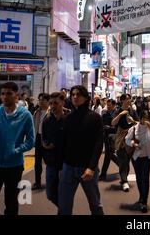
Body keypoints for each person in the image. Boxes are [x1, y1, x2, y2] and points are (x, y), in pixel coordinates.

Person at [0, 82, 35, 215]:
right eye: (3, 94)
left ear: (16, 95)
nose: (5, 97)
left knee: (11, 203)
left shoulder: (25, 115)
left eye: (9, 93)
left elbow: (30, 141)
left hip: (14, 166)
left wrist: (16, 151)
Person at [58, 85, 104, 215]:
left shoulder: (95, 117)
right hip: (68, 167)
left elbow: (98, 143)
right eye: (73, 95)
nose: (75, 97)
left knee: (95, 205)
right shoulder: (68, 118)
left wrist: (92, 167)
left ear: (86, 98)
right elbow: (63, 143)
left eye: (78, 94)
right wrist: (60, 166)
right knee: (64, 207)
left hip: (88, 168)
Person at [42, 92, 70, 207]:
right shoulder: (47, 120)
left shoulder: (69, 118)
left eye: (56, 103)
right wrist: (46, 145)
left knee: (65, 193)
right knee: (50, 194)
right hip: (51, 162)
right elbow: (44, 139)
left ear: (62, 102)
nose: (53, 106)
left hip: (67, 162)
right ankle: (64, 209)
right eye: (51, 103)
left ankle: (64, 211)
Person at [125, 110, 150, 213]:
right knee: (139, 177)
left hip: (147, 156)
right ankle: (141, 196)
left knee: (145, 178)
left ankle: (144, 201)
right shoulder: (134, 128)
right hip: (137, 157)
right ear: (140, 118)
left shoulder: (149, 128)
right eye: (144, 118)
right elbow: (127, 140)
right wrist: (133, 144)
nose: (146, 120)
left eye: (147, 118)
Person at [112, 94, 139, 192]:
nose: (129, 101)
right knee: (123, 161)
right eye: (127, 99)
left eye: (129, 99)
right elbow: (113, 123)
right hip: (122, 138)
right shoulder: (118, 111)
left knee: (135, 159)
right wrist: (120, 115)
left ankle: (138, 178)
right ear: (122, 101)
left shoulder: (133, 111)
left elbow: (139, 124)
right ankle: (124, 181)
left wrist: (133, 121)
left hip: (132, 138)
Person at [32, 93, 50, 190]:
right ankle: (37, 182)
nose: (40, 102)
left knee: (49, 162)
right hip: (38, 138)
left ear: (48, 101)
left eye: (42, 100)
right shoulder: (37, 112)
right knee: (37, 162)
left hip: (47, 139)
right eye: (39, 100)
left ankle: (51, 182)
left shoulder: (51, 112)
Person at [99, 99, 119, 181]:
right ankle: (122, 165)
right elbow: (102, 125)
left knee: (108, 154)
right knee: (109, 154)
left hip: (115, 137)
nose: (108, 107)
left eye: (109, 105)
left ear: (114, 105)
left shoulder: (118, 114)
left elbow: (118, 128)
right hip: (107, 137)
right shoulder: (105, 114)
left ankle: (103, 174)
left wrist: (110, 128)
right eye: (107, 105)